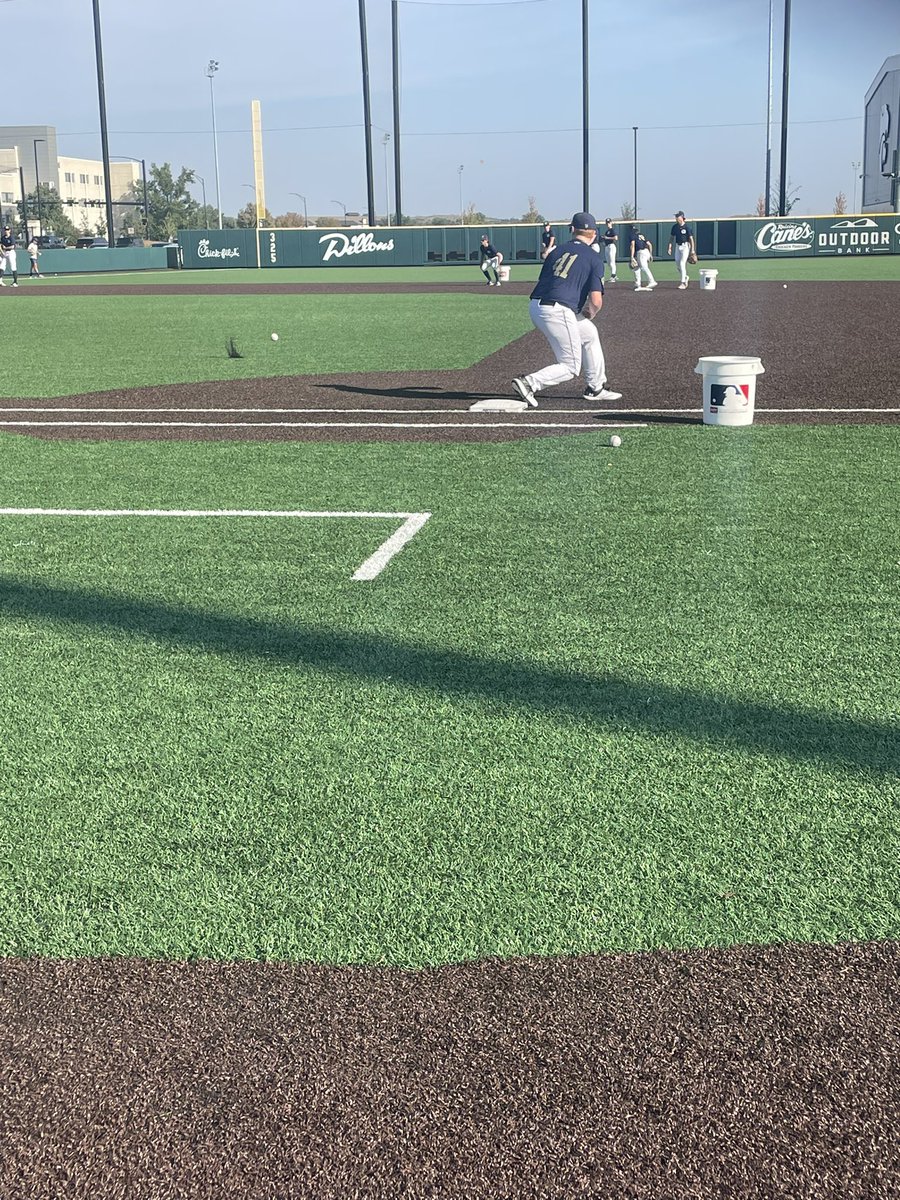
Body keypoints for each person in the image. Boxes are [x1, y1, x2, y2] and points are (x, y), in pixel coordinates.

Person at [511, 211, 622, 407]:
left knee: (589, 334)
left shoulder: (556, 251)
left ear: (572, 230)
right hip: (558, 310)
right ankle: (529, 383)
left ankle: (595, 387)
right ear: (594, 234)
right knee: (570, 366)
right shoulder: (594, 258)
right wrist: (590, 313)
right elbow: (596, 301)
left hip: (537, 304)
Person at [667, 210, 696, 288]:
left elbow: (691, 239)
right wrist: (670, 247)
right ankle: (685, 277)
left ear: (682, 217)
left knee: (682, 263)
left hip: (685, 246)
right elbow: (671, 238)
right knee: (677, 263)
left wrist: (692, 251)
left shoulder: (687, 227)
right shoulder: (675, 227)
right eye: (676, 216)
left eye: (677, 216)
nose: (676, 218)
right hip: (677, 246)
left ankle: (683, 282)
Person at [629, 226, 656, 291]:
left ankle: (652, 281)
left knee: (644, 267)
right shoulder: (641, 235)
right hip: (646, 251)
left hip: (641, 252)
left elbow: (633, 246)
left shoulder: (632, 235)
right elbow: (649, 244)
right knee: (636, 267)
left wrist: (632, 257)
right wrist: (651, 254)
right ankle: (638, 283)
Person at [600, 218, 618, 282]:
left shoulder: (612, 230)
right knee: (608, 262)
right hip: (607, 247)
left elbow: (616, 238)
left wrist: (607, 238)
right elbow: (605, 240)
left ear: (611, 223)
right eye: (607, 223)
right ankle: (614, 275)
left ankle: (613, 276)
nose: (608, 224)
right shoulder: (607, 231)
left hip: (611, 246)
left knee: (612, 262)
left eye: (609, 222)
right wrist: (603, 240)